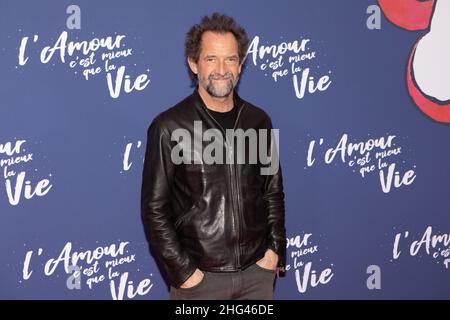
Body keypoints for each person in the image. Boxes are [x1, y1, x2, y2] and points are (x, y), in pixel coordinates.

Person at [141, 12, 286, 300]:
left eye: (230, 59)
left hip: (257, 276)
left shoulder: (259, 121)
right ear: (193, 64)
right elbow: (155, 208)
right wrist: (184, 273)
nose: (222, 68)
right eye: (211, 59)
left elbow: (272, 191)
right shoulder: (169, 127)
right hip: (200, 281)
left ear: (241, 65)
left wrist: (275, 251)